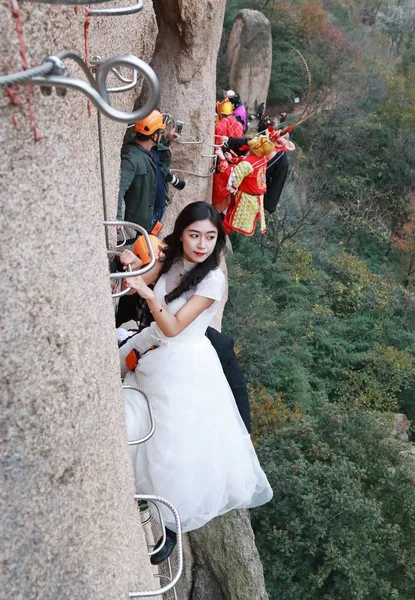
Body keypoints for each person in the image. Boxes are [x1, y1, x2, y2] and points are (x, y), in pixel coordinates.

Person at [118, 201, 272, 564]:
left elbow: (172, 326)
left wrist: (147, 293)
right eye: (194, 235)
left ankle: (169, 524)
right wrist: (131, 264)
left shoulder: (212, 279)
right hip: (152, 348)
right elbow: (144, 277)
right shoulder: (172, 257)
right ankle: (141, 497)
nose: (201, 245)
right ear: (182, 233)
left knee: (172, 447)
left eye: (210, 237)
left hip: (182, 363)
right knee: (136, 425)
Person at [117, 110, 182, 238]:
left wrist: (167, 139)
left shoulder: (148, 149)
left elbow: (157, 148)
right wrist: (118, 218)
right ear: (153, 135)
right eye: (160, 132)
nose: (161, 134)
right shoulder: (132, 159)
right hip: (142, 222)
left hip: (155, 213)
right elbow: (119, 189)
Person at [223, 132, 276, 236]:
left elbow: (236, 177)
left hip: (246, 197)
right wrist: (232, 159)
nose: (255, 138)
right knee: (232, 214)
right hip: (256, 196)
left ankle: (220, 234)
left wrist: (224, 160)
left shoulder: (248, 163)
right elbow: (245, 161)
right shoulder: (263, 159)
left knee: (231, 217)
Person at [264, 130, 295, 214]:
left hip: (258, 191)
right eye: (280, 134)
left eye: (285, 138)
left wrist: (268, 206)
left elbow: (277, 183)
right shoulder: (262, 142)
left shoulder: (283, 161)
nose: (280, 139)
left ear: (287, 142)